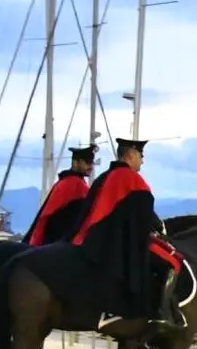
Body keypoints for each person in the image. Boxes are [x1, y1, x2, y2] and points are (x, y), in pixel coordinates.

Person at [69, 138, 184, 333]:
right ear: (130, 154)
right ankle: (161, 314)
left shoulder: (104, 177)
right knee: (174, 262)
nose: (142, 161)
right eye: (141, 156)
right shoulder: (132, 180)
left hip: (96, 239)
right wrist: (159, 229)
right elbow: (145, 215)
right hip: (121, 242)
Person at [25, 145, 96, 246]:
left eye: (92, 163)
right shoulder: (75, 184)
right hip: (58, 243)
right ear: (75, 163)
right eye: (87, 162)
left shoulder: (64, 182)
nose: (91, 166)